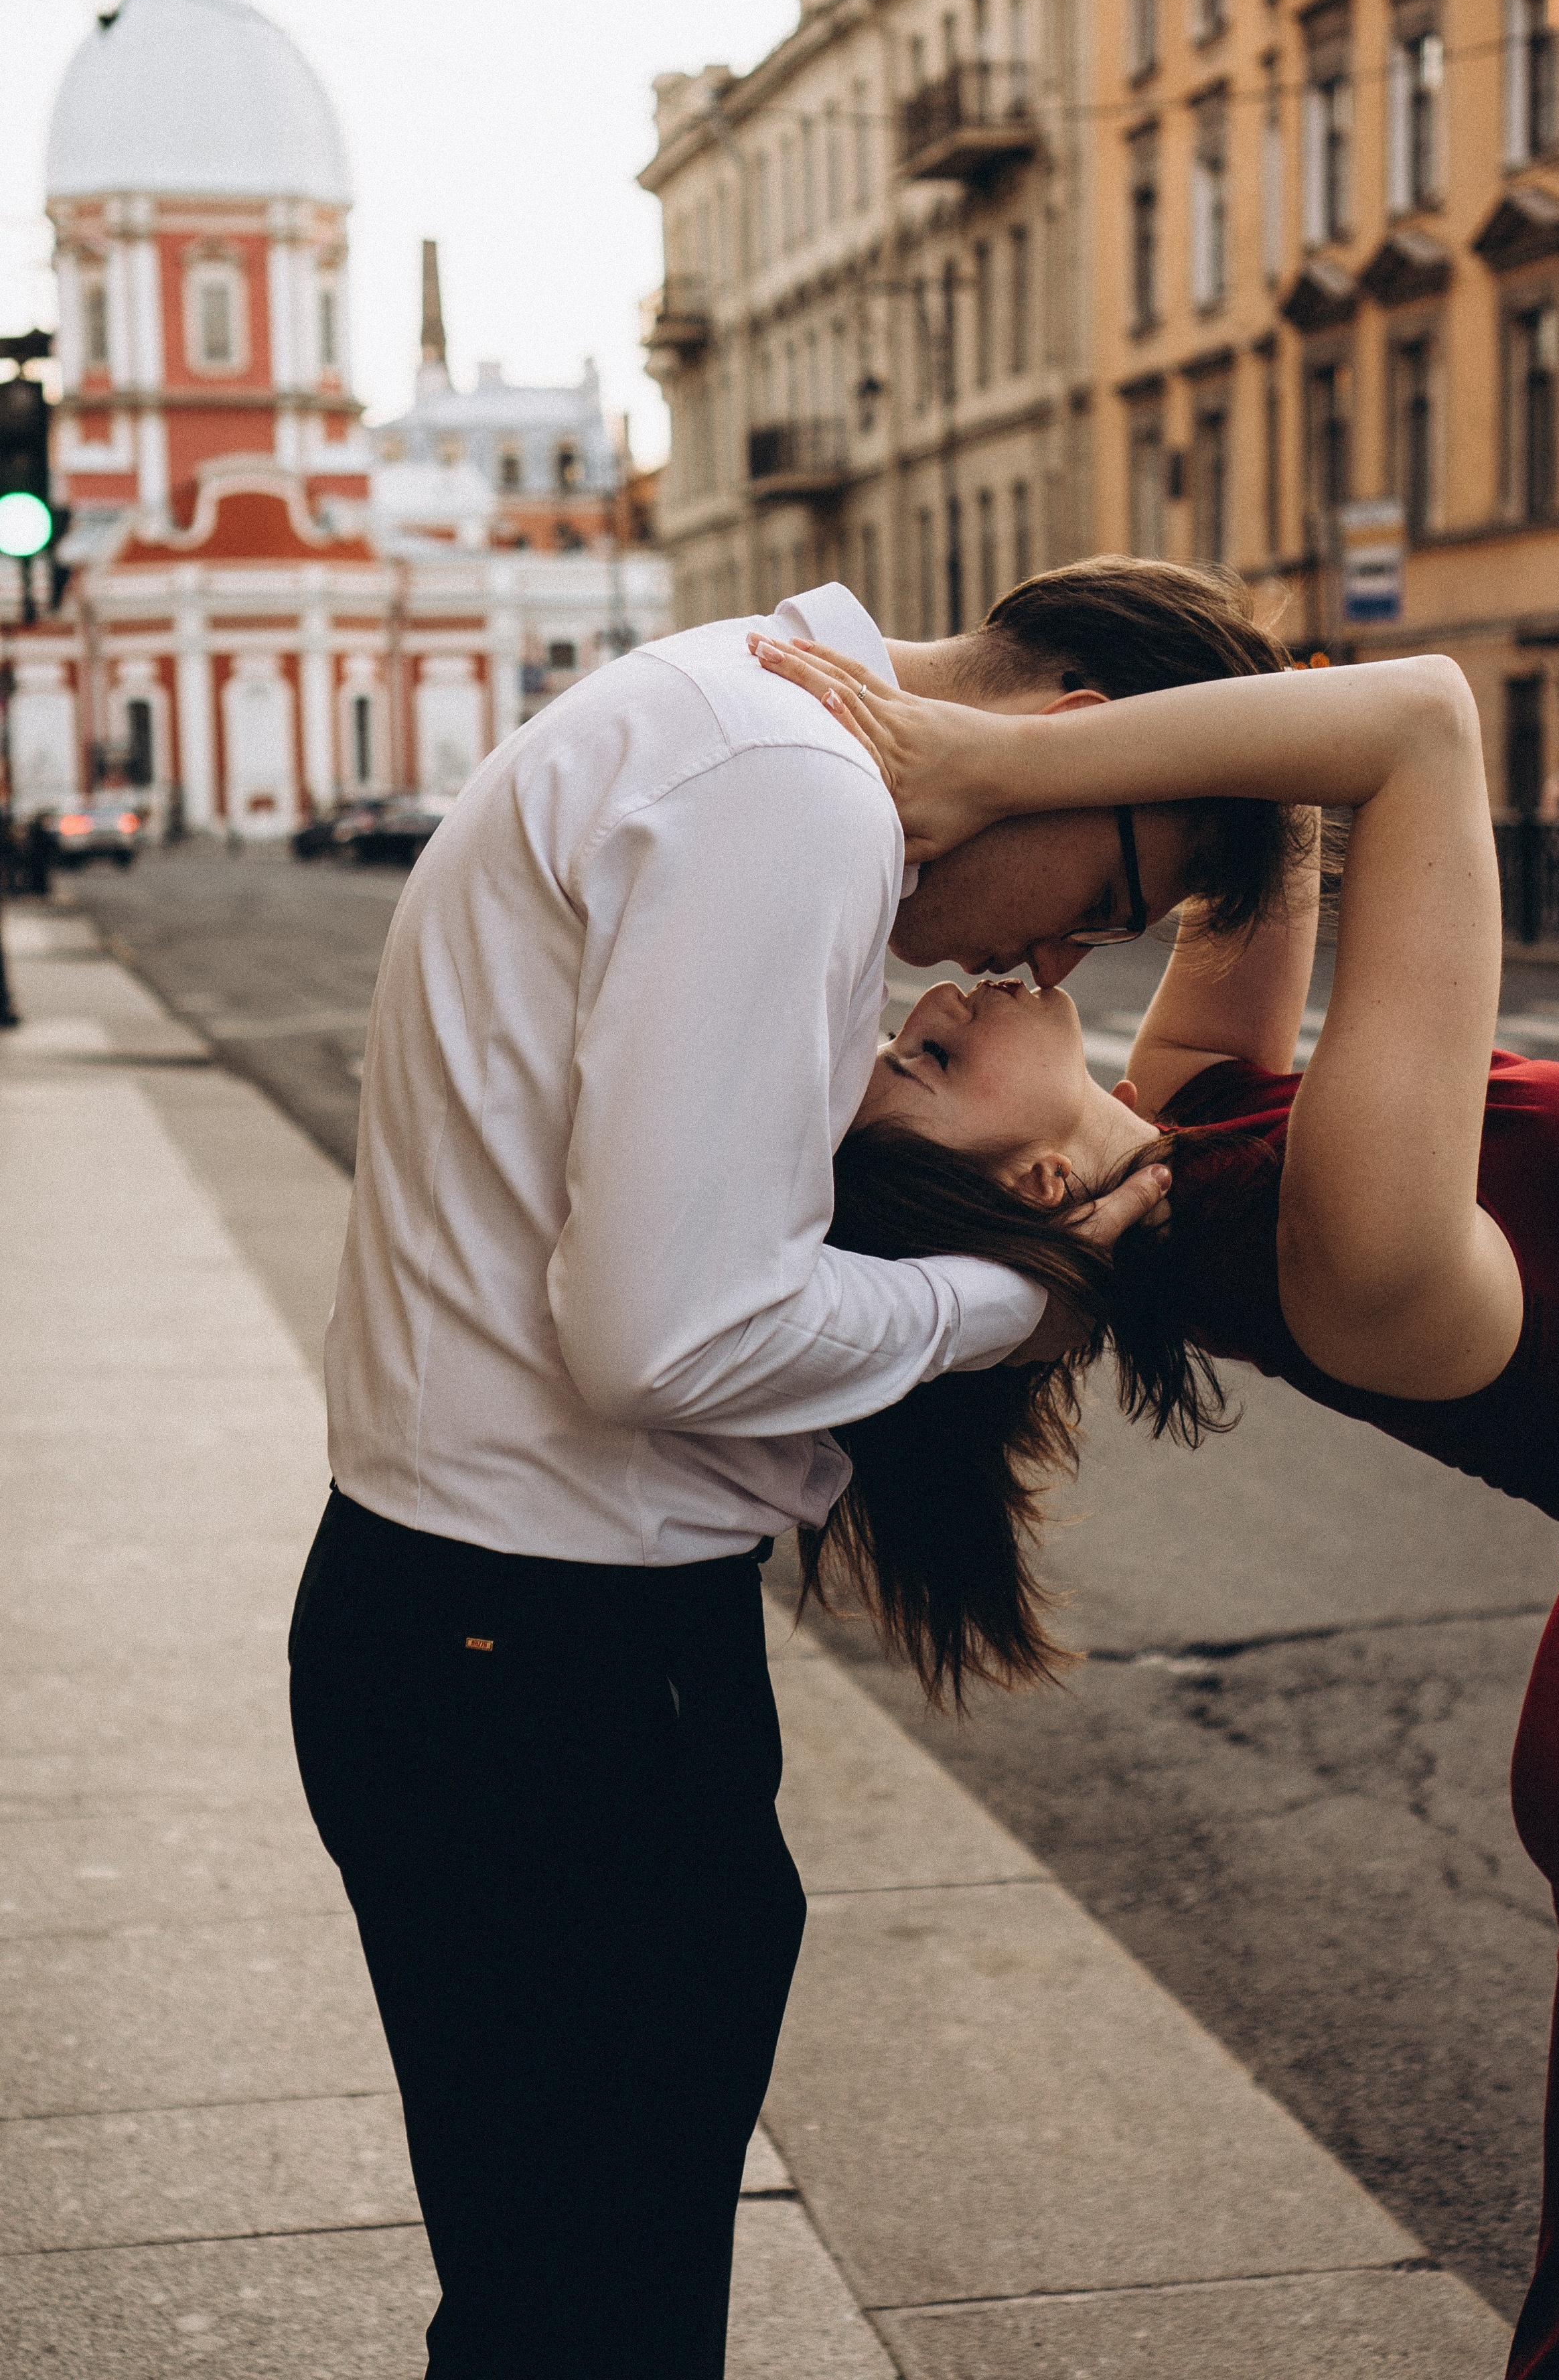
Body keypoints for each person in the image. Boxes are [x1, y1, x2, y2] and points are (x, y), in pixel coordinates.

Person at [290, 563, 1301, 2379]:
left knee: (556, 2297)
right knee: (591, 2320)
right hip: (547, 1670)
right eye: (1114, 899)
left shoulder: (737, 717)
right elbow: (672, 1337)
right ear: (1072, 742)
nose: (1055, 960)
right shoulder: (793, 784)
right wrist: (1013, 1304)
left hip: (495, 1641)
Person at [757, 593, 1559, 2378]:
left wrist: (1059, 751)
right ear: (1037, 1176)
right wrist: (984, 759)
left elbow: (1268, 803)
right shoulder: (1346, 1248)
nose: (936, 1002)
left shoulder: (1192, 1122)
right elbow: (1417, 727)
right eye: (934, 1066)